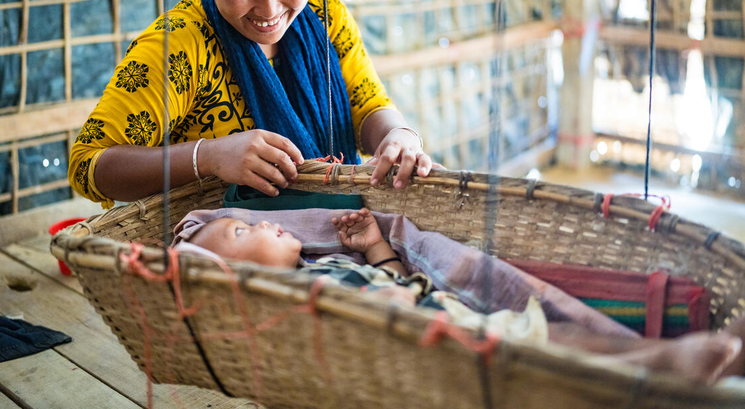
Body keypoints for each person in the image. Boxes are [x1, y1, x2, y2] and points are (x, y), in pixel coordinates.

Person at [68, 0, 432, 209]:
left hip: (340, 230)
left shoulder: (323, 12)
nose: (270, 10)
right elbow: (88, 165)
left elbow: (366, 106)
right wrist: (207, 156)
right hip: (226, 252)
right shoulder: (177, 47)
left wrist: (397, 135)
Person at [176, 208, 745, 385]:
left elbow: (401, 281)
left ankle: (686, 354)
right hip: (445, 351)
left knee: (565, 338)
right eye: (241, 234)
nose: (260, 225)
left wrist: (375, 245)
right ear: (233, 279)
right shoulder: (288, 303)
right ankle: (675, 363)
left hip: (454, 318)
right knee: (561, 360)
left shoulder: (325, 261)